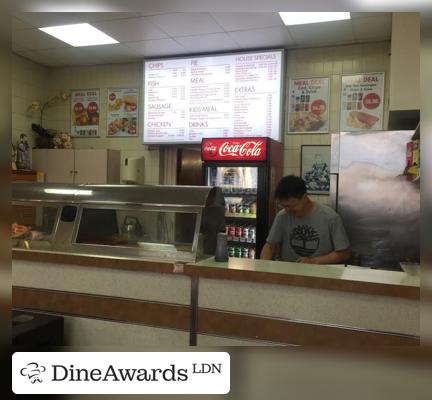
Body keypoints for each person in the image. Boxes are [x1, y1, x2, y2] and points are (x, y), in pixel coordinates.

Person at [260, 175, 351, 264]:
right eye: (284, 206)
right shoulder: (282, 216)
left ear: (304, 198)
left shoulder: (330, 218)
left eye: (291, 206)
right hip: (288, 275)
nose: (287, 210)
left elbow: (344, 253)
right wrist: (263, 267)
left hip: (320, 275)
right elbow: (270, 246)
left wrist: (314, 261)